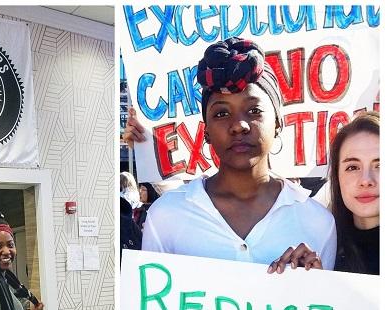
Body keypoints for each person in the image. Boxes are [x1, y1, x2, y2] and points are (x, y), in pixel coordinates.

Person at [140, 37, 336, 267]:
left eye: (254, 110)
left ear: (277, 123)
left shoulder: (318, 223)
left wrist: (317, 285)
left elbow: (322, 302)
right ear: (207, 132)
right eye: (221, 114)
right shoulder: (165, 216)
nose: (239, 125)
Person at [269, 111, 379, 275]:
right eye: (352, 167)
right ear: (337, 176)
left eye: (380, 165)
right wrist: (316, 281)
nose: (366, 180)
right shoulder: (327, 243)